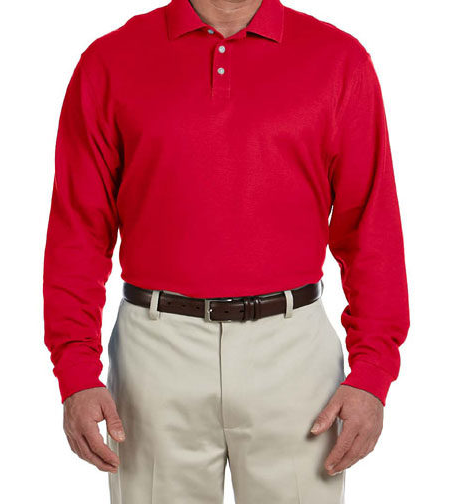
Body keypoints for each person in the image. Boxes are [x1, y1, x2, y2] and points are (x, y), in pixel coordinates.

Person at [42, 0, 410, 502]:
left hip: (293, 353)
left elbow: (371, 228)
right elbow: (77, 232)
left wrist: (373, 373)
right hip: (156, 353)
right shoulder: (109, 61)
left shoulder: (339, 61)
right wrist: (75, 372)